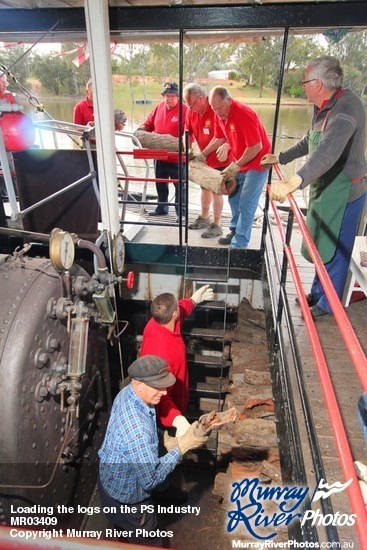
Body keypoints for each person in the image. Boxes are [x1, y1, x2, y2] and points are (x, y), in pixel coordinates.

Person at [261, 56, 367, 318]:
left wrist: (294, 181)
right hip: (323, 187)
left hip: (346, 194)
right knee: (319, 244)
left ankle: (327, 304)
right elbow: (311, 140)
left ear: (318, 83)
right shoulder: (322, 106)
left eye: (305, 81)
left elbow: (328, 151)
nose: (302, 86)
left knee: (336, 249)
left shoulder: (347, 108)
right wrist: (282, 157)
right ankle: (318, 291)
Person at [98, 355, 208, 547]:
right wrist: (182, 446)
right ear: (139, 384)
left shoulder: (128, 393)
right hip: (130, 501)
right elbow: (150, 479)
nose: (165, 393)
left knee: (122, 531)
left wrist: (161, 438)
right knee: (149, 542)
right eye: (158, 387)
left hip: (109, 485)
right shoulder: (137, 428)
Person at [140, 285, 214, 437]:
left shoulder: (157, 322)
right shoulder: (162, 355)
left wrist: (193, 300)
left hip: (176, 395)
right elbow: (159, 398)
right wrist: (177, 420)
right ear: (174, 314)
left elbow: (181, 308)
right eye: (176, 308)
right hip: (162, 419)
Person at [204, 86, 271, 249]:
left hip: (258, 162)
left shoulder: (243, 113)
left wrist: (235, 166)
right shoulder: (218, 114)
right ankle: (234, 230)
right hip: (240, 159)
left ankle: (240, 244)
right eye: (214, 109)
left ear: (230, 100)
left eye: (220, 108)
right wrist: (202, 155)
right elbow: (218, 138)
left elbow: (256, 146)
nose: (218, 112)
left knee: (247, 202)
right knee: (233, 196)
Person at [183, 82, 232, 238]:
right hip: (204, 159)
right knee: (204, 188)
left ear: (202, 97)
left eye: (192, 104)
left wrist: (226, 146)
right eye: (187, 105)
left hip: (221, 159)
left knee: (217, 190)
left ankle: (217, 224)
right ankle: (204, 217)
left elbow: (231, 133)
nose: (191, 108)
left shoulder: (216, 108)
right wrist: (188, 149)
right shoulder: (191, 112)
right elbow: (188, 133)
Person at [139, 82, 187, 221]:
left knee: (180, 186)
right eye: (166, 95)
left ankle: (182, 213)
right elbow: (148, 124)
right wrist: (140, 131)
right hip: (159, 155)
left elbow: (190, 131)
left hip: (176, 157)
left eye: (172, 96)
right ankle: (162, 207)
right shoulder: (158, 108)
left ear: (178, 96)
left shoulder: (184, 110)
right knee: (160, 183)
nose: (169, 99)